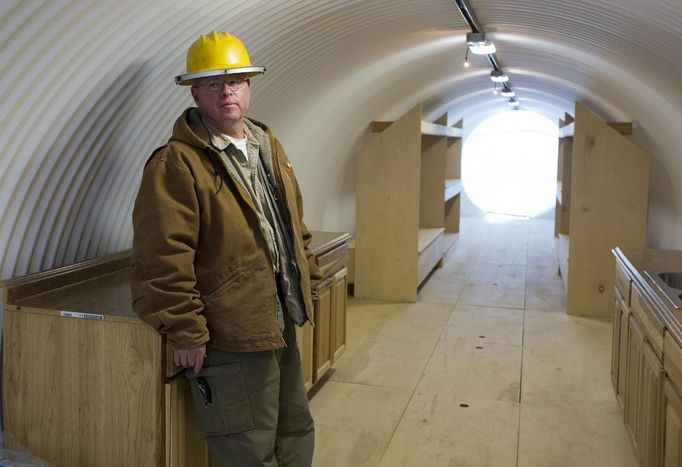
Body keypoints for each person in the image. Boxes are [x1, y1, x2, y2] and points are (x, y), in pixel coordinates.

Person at [130, 31, 321, 467]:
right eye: (213, 84)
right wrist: (185, 328)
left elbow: (293, 226)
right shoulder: (177, 163)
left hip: (278, 319)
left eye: (235, 81)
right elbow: (161, 256)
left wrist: (308, 285)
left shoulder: (267, 146)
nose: (226, 91)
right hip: (230, 332)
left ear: (250, 87)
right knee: (247, 448)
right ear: (196, 92)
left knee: (294, 429)